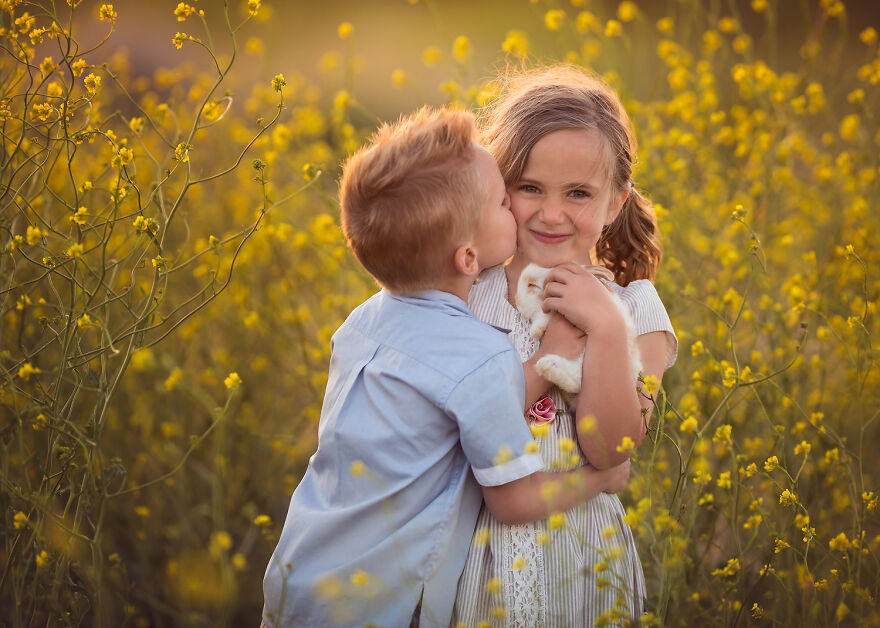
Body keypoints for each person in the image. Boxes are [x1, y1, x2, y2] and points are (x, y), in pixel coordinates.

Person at [261, 106, 630, 628]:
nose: (518, 211)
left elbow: (466, 397)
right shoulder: (478, 352)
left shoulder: (362, 322)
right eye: (506, 200)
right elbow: (513, 498)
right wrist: (600, 476)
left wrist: (546, 361)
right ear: (466, 257)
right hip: (384, 604)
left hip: (301, 577)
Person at [451, 65, 679, 627]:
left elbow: (612, 448)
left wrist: (603, 327)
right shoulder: (463, 295)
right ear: (498, 188)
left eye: (578, 193)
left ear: (616, 200)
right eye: (529, 188)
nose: (552, 214)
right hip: (476, 558)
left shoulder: (636, 311)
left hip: (580, 561)